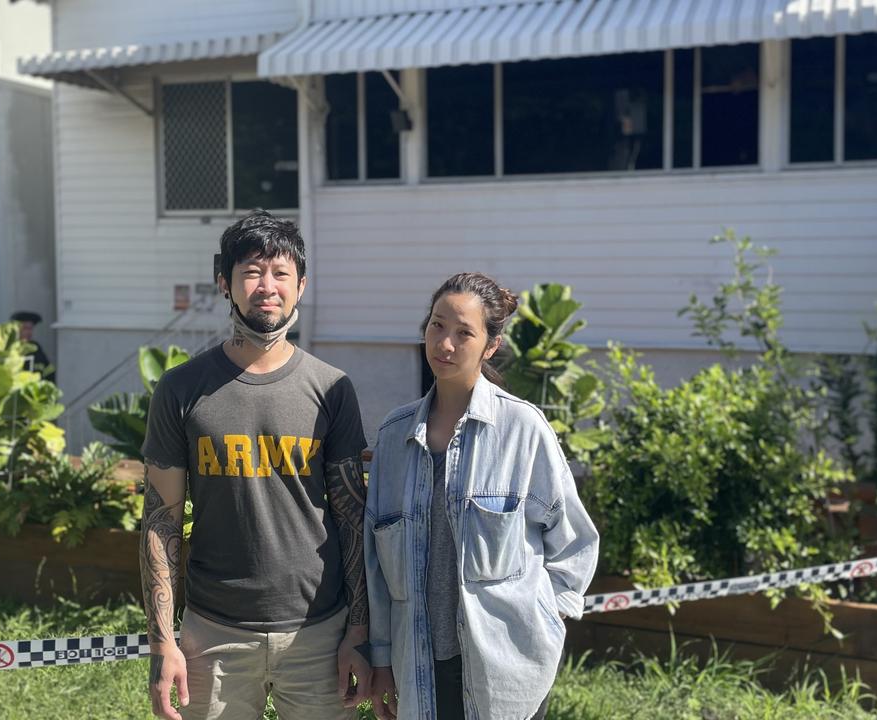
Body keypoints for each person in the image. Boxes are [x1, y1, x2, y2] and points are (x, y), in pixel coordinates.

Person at [140, 210, 372, 720]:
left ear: (301, 285)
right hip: (213, 633)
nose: (266, 286)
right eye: (251, 271)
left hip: (319, 630)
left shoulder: (332, 389)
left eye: (281, 273)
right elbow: (162, 522)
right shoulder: (180, 389)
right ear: (225, 283)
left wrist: (359, 630)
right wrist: (163, 643)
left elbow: (353, 518)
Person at [364, 272, 600, 720]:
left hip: (506, 669)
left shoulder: (522, 429)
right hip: (417, 663)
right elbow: (376, 564)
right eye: (437, 325)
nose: (445, 344)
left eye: (463, 332)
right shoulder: (395, 436)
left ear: (491, 345)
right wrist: (380, 657)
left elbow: (573, 541)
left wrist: (548, 620)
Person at [10, 310, 54, 383]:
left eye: (30, 329)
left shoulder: (36, 347)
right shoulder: (10, 348)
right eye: (25, 328)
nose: (29, 332)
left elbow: (49, 372)